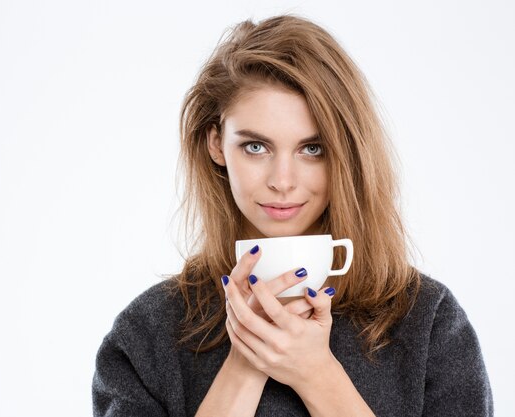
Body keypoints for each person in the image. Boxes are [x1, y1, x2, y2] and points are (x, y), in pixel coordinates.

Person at [91, 15, 493, 416]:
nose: (283, 181)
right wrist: (246, 363)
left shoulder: (426, 321)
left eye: (312, 149)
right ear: (216, 144)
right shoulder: (148, 333)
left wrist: (317, 374)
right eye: (256, 147)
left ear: (347, 153)